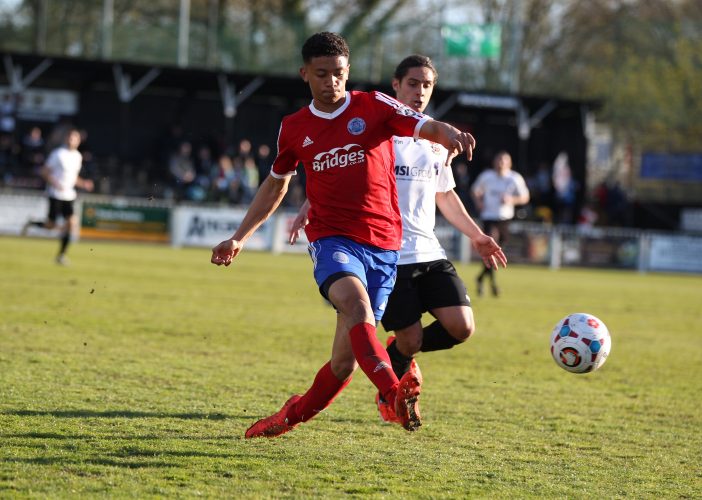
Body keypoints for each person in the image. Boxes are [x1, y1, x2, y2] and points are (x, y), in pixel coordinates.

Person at [210, 32, 476, 438]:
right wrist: (240, 236)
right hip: (333, 240)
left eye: (338, 73)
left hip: (385, 246)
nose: (331, 82)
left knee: (343, 365)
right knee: (357, 308)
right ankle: (393, 393)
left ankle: (290, 415)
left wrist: (446, 132)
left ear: (347, 71)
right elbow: (276, 184)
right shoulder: (294, 128)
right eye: (321, 74)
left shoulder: (373, 106)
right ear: (305, 74)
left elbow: (422, 124)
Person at [289, 55, 507, 424]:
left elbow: (445, 195)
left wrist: (476, 234)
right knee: (410, 341)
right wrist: (310, 205)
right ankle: (396, 369)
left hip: (429, 250)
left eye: (427, 85)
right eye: (412, 83)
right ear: (396, 85)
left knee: (462, 327)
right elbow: (343, 174)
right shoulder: (379, 128)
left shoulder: (435, 140)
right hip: (385, 254)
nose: (419, 92)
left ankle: (394, 354)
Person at [21, 127, 94, 265]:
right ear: (66, 139)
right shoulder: (58, 154)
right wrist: (55, 183)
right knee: (51, 225)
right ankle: (32, 223)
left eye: (75, 138)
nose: (72, 140)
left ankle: (61, 256)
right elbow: (44, 172)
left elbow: (73, 178)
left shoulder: (78, 156)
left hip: (69, 195)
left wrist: (83, 183)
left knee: (72, 223)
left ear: (79, 141)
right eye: (70, 137)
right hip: (55, 194)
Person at [470, 151, 530, 297]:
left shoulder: (514, 178)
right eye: (499, 160)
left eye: (504, 161)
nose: (501, 163)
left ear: (509, 163)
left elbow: (525, 197)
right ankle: (493, 284)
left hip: (504, 218)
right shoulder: (487, 176)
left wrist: (511, 199)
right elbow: (474, 190)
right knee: (491, 248)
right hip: (489, 217)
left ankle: (481, 278)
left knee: (497, 252)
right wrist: (478, 202)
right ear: (494, 162)